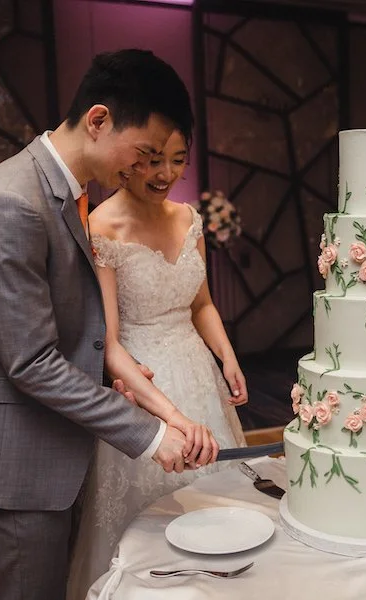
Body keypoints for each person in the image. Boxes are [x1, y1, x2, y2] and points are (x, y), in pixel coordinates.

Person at [0, 50, 218, 600]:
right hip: (16, 458)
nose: (142, 169)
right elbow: (31, 361)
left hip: (55, 439)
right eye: (143, 152)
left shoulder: (61, 191)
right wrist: (152, 433)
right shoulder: (11, 204)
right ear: (98, 119)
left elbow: (82, 328)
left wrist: (151, 399)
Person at [66, 129, 249, 598]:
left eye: (177, 160)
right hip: (141, 382)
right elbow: (107, 341)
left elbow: (201, 304)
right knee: (152, 523)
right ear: (129, 160)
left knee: (216, 511)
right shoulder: (102, 227)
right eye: (151, 160)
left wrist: (226, 356)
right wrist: (165, 412)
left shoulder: (189, 218)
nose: (165, 174)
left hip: (197, 372)